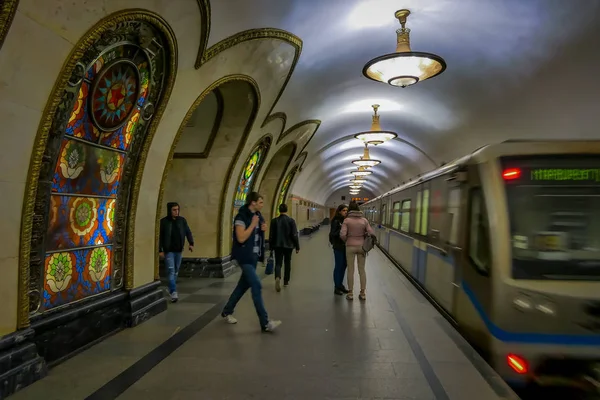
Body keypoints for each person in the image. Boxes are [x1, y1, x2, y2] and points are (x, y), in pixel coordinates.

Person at [221, 192, 281, 332]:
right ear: (252, 203)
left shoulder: (258, 216)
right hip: (244, 257)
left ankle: (227, 311)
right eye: (260, 202)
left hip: (253, 257)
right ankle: (265, 323)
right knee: (256, 285)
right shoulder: (241, 217)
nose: (262, 204)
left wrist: (262, 229)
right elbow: (241, 238)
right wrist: (253, 225)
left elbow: (257, 234)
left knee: (242, 286)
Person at [159, 202, 194, 303]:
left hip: (178, 250)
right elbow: (160, 237)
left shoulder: (182, 221)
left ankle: (170, 288)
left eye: (177, 209)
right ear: (169, 210)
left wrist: (191, 243)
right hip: (168, 251)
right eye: (174, 210)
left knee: (176, 271)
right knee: (171, 270)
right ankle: (174, 292)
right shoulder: (164, 222)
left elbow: (187, 232)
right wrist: (160, 250)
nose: (176, 212)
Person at [340, 201, 374, 301]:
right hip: (362, 247)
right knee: (362, 270)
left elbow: (342, 234)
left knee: (350, 270)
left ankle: (350, 293)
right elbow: (371, 232)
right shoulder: (364, 220)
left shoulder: (347, 220)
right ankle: (362, 293)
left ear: (349, 209)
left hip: (350, 246)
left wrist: (347, 240)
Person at [269, 203, 300, 292]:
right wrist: (297, 246)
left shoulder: (274, 221)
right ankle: (286, 281)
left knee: (278, 263)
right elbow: (294, 235)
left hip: (277, 245)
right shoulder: (291, 221)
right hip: (288, 246)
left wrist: (271, 247)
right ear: (287, 210)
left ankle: (277, 277)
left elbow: (271, 235)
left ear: (279, 210)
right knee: (287, 262)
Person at [329, 204, 349, 295]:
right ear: (339, 211)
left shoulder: (345, 220)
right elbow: (333, 233)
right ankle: (336, 286)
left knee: (344, 266)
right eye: (344, 210)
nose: (345, 212)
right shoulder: (336, 221)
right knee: (338, 266)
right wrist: (342, 229)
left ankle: (340, 284)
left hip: (345, 246)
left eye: (346, 210)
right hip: (338, 246)